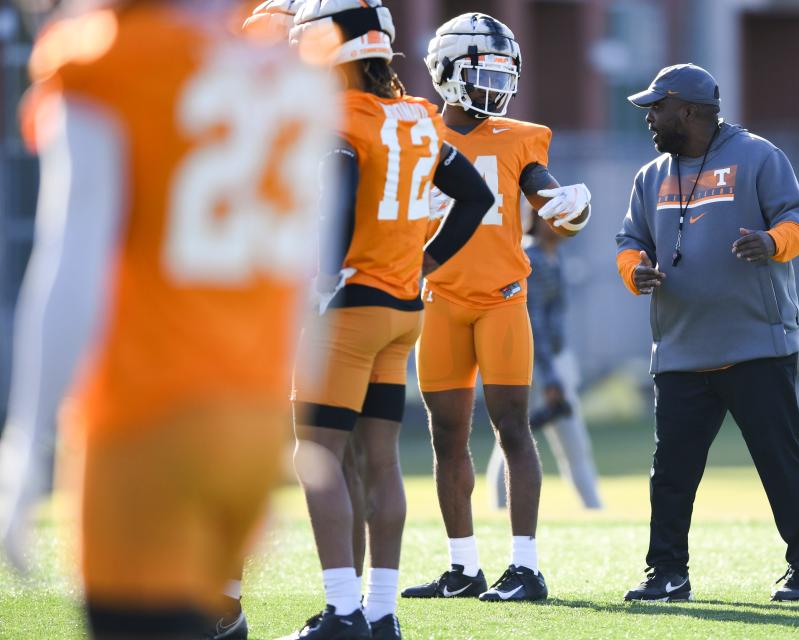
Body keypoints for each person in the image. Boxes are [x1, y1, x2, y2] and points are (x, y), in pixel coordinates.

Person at [0, 1, 338, 638]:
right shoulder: (292, 71)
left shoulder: (109, 59)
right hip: (252, 417)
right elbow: (304, 273)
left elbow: (70, 260)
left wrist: (26, 440)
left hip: (148, 414)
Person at [282, 2, 494, 639]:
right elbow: (476, 196)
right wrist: (425, 259)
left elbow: (340, 190)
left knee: (315, 456)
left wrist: (322, 275)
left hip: (349, 310)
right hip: (404, 311)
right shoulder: (422, 116)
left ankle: (343, 611)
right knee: (380, 460)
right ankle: (380, 612)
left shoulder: (340, 116)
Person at [615, 63, 799, 603]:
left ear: (688, 110)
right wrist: (635, 269)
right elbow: (629, 240)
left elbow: (798, 221)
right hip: (682, 349)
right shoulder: (650, 176)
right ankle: (666, 572)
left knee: (779, 461)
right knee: (671, 475)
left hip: (757, 344)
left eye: (656, 108)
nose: (649, 117)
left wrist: (773, 242)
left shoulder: (758, 155)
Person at [401, 13, 591, 604]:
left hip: (502, 302)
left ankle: (526, 568)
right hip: (440, 303)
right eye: (484, 70)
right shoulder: (416, 132)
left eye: (505, 72)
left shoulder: (519, 138)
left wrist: (571, 209)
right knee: (447, 437)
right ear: (447, 72)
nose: (495, 85)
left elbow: (549, 200)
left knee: (513, 428)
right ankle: (463, 566)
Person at [485, 212, 603, 511]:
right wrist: (551, 377)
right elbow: (533, 323)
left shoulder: (555, 256)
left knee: (566, 443)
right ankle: (499, 510)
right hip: (536, 364)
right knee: (514, 436)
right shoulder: (531, 257)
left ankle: (593, 509)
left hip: (556, 361)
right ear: (540, 219)